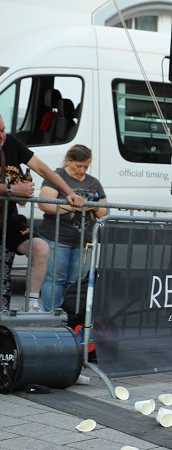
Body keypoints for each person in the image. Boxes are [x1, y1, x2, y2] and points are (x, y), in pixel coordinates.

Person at [0, 114, 86, 312]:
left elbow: (42, 169)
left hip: (7, 221)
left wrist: (70, 193)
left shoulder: (10, 142)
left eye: (3, 130)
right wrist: (11, 190)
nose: (2, 136)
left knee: (41, 248)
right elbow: (12, 190)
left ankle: (31, 305)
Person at [38, 144, 108, 311]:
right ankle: (51, 315)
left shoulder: (93, 182)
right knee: (54, 279)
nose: (82, 170)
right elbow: (45, 205)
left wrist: (94, 207)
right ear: (68, 161)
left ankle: (70, 315)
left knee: (76, 281)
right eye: (79, 166)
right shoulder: (57, 177)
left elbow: (104, 211)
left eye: (86, 166)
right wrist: (73, 207)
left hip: (84, 241)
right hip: (57, 237)